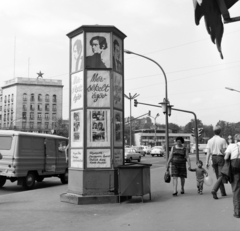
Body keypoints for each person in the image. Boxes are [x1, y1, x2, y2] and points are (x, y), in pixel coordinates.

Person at [206, 125, 228, 199]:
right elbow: (224, 151)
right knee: (221, 175)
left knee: (218, 176)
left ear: (214, 131)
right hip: (220, 157)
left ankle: (223, 192)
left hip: (213, 158)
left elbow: (208, 152)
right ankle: (214, 190)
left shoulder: (209, 140)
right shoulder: (222, 140)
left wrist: (207, 162)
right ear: (220, 131)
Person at [224, 134, 240, 218]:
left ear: (234, 139)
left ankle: (237, 212)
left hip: (235, 167)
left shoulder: (231, 146)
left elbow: (226, 158)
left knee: (236, 189)